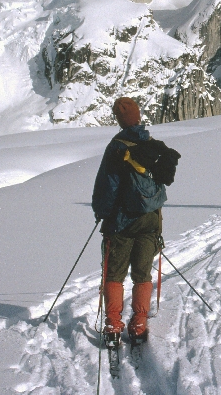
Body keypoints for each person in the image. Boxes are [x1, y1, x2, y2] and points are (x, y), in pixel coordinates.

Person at [92, 97, 167, 345]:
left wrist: (102, 212)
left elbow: (108, 184)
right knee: (142, 273)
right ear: (138, 116)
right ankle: (139, 323)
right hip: (150, 219)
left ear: (119, 120)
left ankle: (114, 324)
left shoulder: (117, 147)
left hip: (122, 222)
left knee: (114, 273)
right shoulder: (152, 144)